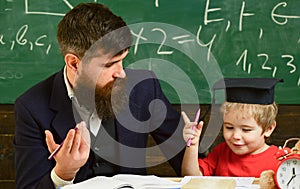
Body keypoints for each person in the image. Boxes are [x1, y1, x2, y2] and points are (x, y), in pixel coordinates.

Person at [13, 3, 185, 189]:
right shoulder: (31, 107)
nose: (121, 73)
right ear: (74, 64)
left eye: (122, 60)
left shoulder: (144, 88)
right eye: (110, 64)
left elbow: (189, 158)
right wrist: (63, 174)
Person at [181, 78, 283, 178]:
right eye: (229, 127)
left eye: (246, 129)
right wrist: (192, 146)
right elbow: (191, 176)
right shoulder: (221, 153)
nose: (236, 136)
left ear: (268, 129)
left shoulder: (280, 159)